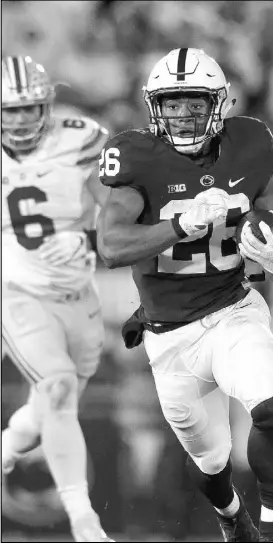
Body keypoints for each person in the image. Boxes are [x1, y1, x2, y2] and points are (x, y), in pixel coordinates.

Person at [97, 48, 273, 542]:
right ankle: (232, 516)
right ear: (155, 108)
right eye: (172, 104)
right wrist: (181, 224)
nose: (184, 114)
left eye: (194, 103)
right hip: (169, 334)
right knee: (209, 463)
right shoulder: (136, 157)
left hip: (234, 308)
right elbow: (110, 246)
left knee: (271, 408)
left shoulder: (249, 143)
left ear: (219, 104)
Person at [1, 55, 113, 542]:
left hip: (79, 295)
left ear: (47, 104)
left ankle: (6, 450)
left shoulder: (81, 137)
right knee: (60, 389)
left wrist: (90, 240)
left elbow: (119, 208)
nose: (21, 119)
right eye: (10, 110)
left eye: (29, 109)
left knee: (44, 412)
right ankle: (83, 518)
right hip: (19, 292)